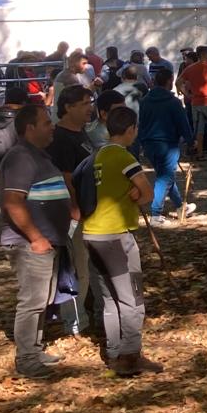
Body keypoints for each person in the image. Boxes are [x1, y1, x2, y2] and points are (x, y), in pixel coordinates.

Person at [82, 105, 162, 378]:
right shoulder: (123, 156)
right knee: (132, 299)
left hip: (92, 233)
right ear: (131, 130)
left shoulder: (99, 154)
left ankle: (115, 351)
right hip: (115, 235)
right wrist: (136, 196)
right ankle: (131, 354)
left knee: (109, 297)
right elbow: (147, 192)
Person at [0, 104, 74, 380]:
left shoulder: (39, 156)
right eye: (46, 123)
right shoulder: (20, 157)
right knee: (32, 300)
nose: (52, 126)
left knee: (42, 299)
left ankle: (35, 347)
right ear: (30, 128)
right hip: (31, 244)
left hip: (48, 241)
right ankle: (27, 358)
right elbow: (13, 202)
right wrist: (36, 237)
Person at [47, 85, 102, 333]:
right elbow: (66, 177)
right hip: (75, 213)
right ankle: (74, 321)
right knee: (77, 267)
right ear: (68, 107)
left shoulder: (81, 132)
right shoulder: (61, 137)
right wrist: (75, 207)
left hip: (91, 208)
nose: (89, 108)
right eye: (84, 104)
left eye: (90, 102)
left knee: (87, 265)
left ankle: (82, 313)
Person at [137, 69, 196, 225]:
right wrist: (191, 141)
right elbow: (183, 124)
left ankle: (180, 206)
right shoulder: (173, 102)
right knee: (164, 178)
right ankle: (156, 214)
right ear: (170, 81)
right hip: (167, 145)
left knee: (166, 176)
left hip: (149, 144)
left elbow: (140, 123)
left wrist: (141, 142)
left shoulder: (145, 101)